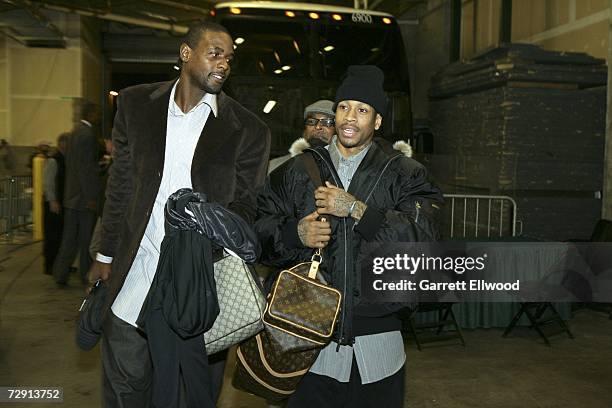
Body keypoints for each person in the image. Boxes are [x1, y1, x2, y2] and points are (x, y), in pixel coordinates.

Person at [87, 21, 270, 407]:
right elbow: (120, 186)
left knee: (188, 393)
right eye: (215, 53)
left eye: (229, 58)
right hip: (134, 271)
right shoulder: (136, 105)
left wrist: (209, 220)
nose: (223, 64)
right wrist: (104, 255)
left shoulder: (247, 129)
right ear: (186, 54)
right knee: (125, 386)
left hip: (196, 283)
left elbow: (246, 205)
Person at [255, 65, 443, 408]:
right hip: (307, 340)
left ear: (378, 121)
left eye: (362, 110)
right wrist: (295, 233)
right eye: (343, 107)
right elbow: (257, 231)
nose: (349, 118)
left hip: (379, 344)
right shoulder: (298, 170)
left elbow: (425, 238)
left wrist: (359, 211)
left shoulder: (405, 172)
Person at [53, 102, 101, 286]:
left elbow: (74, 165)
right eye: (97, 112)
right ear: (91, 114)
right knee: (85, 239)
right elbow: (85, 169)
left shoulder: (74, 132)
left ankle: (60, 274)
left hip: (72, 195)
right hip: (83, 198)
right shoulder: (87, 135)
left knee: (69, 239)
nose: (99, 116)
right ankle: (85, 275)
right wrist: (90, 197)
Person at [268, 99, 335, 173]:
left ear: (337, 131)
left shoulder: (345, 170)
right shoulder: (275, 167)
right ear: (304, 131)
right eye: (311, 121)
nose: (318, 127)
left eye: (327, 122)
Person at [42, 133, 68, 275]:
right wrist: (52, 200)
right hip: (53, 204)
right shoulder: (53, 160)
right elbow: (48, 182)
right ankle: (49, 266)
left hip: (60, 203)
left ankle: (58, 265)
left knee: (60, 235)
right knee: (52, 236)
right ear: (62, 144)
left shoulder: (64, 159)